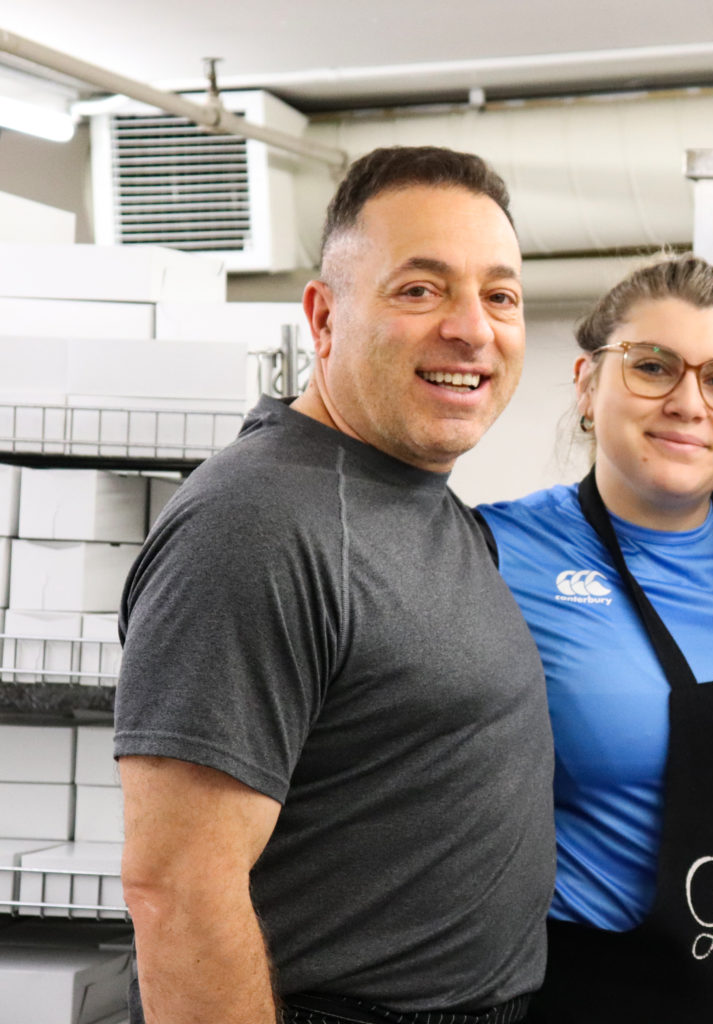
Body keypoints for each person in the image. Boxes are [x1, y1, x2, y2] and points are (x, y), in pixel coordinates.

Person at [114, 146, 556, 1024]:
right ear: (323, 318)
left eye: (499, 296)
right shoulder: (257, 524)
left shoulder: (424, 501)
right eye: (420, 289)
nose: (473, 329)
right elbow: (176, 891)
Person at [478, 255, 713, 1023]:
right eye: (652, 367)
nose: (687, 403)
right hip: (601, 989)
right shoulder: (494, 553)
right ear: (585, 383)